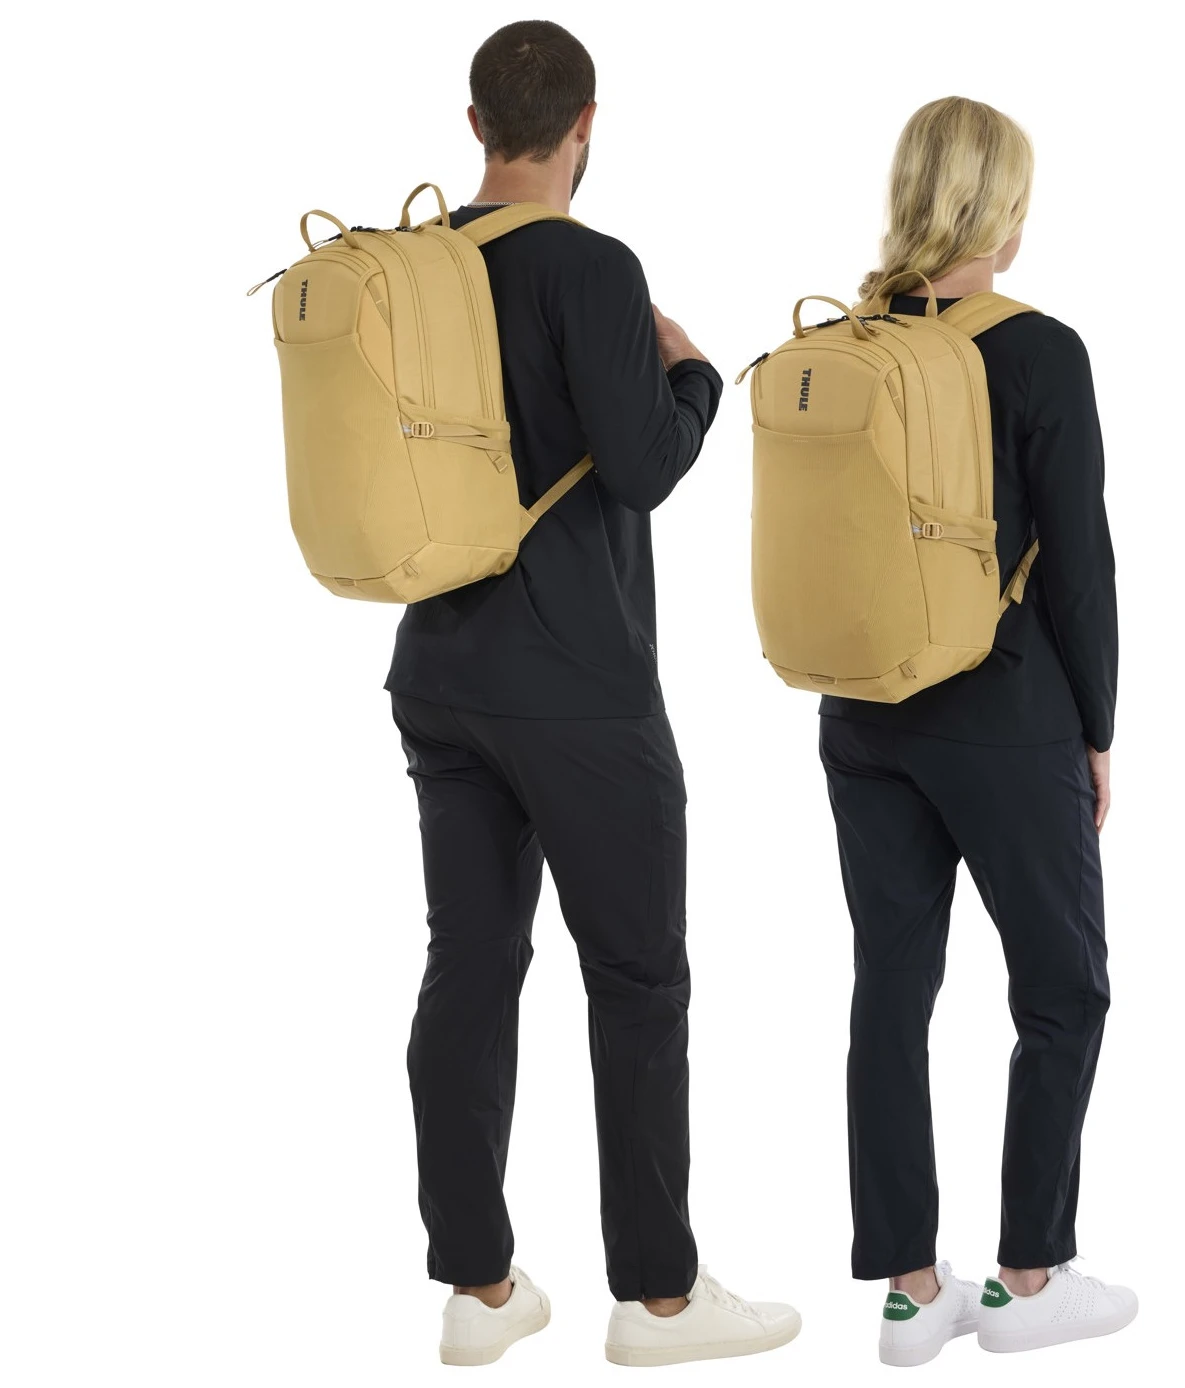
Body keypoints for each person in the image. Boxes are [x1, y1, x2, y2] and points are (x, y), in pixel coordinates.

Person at [385, 20, 799, 1370]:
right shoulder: (593, 266)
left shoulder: (416, 263)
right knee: (636, 980)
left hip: (439, 675)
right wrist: (692, 374)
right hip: (579, 689)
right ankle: (660, 1301)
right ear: (587, 125)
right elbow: (644, 468)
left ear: (472, 125)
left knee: (470, 965)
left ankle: (479, 1288)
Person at [815, 96, 1136, 1364]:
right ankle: (1026, 1275)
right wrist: (1095, 726)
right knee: (1060, 988)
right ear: (1001, 207)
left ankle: (910, 1292)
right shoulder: (1039, 349)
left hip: (861, 708)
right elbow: (1080, 566)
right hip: (1005, 716)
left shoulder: (845, 342)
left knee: (890, 989)